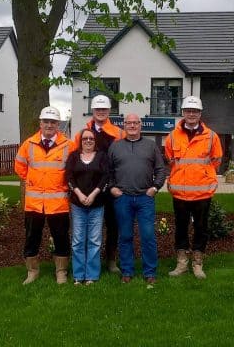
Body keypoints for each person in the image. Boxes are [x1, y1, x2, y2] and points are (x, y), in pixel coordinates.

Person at [15, 106, 75, 285]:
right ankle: (32, 272)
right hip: (34, 203)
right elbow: (19, 166)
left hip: (58, 203)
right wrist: (32, 180)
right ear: (40, 123)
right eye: (46, 122)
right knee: (32, 237)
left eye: (53, 122)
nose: (49, 125)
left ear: (58, 124)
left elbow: (74, 170)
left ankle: (61, 272)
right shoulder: (29, 144)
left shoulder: (69, 145)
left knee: (61, 237)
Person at [165, 96, 223, 279]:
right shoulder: (172, 136)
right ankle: (182, 264)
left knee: (201, 228)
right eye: (188, 111)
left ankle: (198, 264)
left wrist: (202, 175)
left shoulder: (211, 136)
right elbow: (170, 161)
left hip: (202, 193)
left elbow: (216, 161)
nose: (191, 114)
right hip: (180, 193)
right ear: (183, 113)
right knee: (180, 228)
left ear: (200, 114)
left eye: (195, 111)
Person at [108, 113, 166, 284]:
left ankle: (150, 273)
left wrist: (155, 187)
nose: (132, 126)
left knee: (148, 235)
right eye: (128, 123)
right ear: (124, 125)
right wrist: (112, 188)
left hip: (144, 198)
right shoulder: (115, 146)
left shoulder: (151, 146)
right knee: (125, 235)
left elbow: (161, 169)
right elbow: (108, 171)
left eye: (135, 123)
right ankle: (127, 271)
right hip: (123, 198)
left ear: (141, 125)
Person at [74, 94, 125, 273]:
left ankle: (111, 260)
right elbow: (75, 159)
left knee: (113, 224)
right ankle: (87, 261)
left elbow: (123, 160)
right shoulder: (82, 133)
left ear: (109, 111)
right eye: (98, 109)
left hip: (111, 186)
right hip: (88, 187)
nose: (101, 112)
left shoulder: (119, 133)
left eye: (104, 109)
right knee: (87, 226)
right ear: (93, 111)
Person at [66, 128, 109, 285]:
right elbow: (69, 177)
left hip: (97, 204)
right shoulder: (73, 157)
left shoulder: (102, 157)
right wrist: (79, 194)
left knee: (94, 240)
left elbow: (106, 177)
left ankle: (91, 275)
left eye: (91, 138)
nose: (88, 141)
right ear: (81, 141)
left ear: (95, 141)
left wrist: (93, 195)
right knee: (77, 240)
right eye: (85, 138)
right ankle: (78, 275)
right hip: (78, 204)